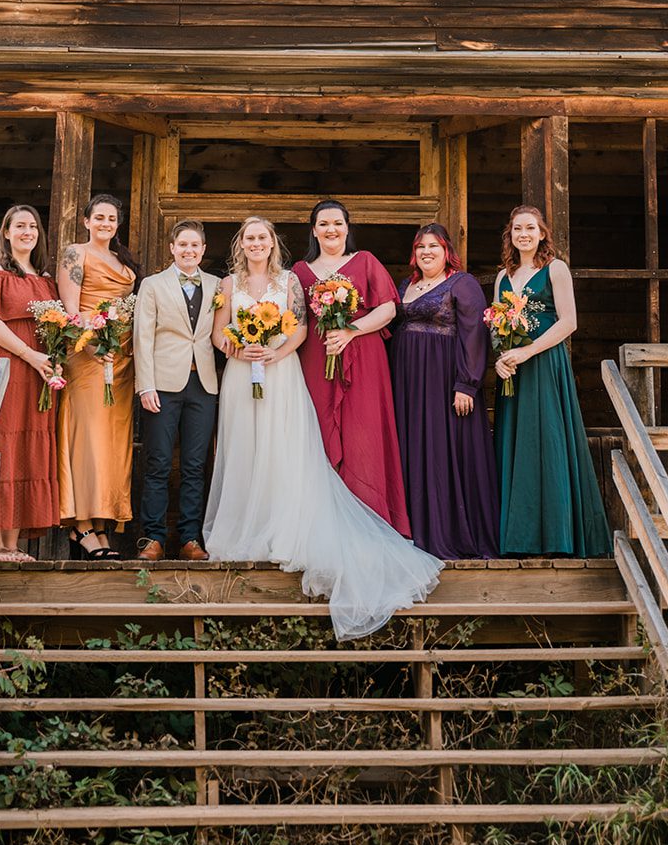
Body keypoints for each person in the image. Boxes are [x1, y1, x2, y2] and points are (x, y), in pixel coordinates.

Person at [206, 216, 442, 639]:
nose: (256, 243)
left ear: (273, 243)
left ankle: (284, 525)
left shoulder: (290, 281)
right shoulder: (227, 285)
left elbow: (299, 327)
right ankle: (246, 525)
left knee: (283, 448)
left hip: (279, 372)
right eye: (249, 238)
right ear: (240, 245)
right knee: (244, 448)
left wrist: (276, 353)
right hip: (242, 373)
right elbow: (219, 332)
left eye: (263, 237)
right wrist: (239, 346)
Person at [492, 205, 611, 558]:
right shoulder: (503, 277)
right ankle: (518, 538)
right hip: (512, 370)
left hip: (544, 363)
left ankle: (557, 536)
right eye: (517, 229)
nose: (523, 234)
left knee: (548, 441)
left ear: (542, 233)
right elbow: (495, 326)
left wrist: (528, 353)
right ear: (510, 235)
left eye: (530, 228)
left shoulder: (555, 269)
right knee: (516, 445)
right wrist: (500, 359)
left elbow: (568, 322)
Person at [292, 199, 410, 535]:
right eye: (324, 224)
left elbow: (388, 309)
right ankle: (321, 523)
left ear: (347, 227)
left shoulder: (366, 262)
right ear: (313, 230)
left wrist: (350, 331)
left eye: (338, 223)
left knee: (363, 432)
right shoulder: (299, 272)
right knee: (318, 430)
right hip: (317, 359)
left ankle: (368, 519)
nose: (331, 230)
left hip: (364, 361)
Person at [390, 223, 500, 560]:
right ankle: (415, 530)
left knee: (443, 448)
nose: (426, 252)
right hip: (408, 380)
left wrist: (467, 383)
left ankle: (450, 531)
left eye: (433, 247)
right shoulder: (407, 284)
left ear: (446, 251)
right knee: (413, 447)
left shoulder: (462, 283)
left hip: (444, 380)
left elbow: (474, 335)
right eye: (421, 247)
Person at [0, 204, 60, 562]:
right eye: (19, 226)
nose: (27, 232)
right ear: (6, 233)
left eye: (33, 226)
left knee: (28, 451)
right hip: (13, 366)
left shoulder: (46, 278)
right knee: (4, 446)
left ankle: (12, 545)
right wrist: (30, 355)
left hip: (41, 372)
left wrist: (50, 357)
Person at [57, 193, 140, 560]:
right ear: (87, 221)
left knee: (112, 441)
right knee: (87, 435)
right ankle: (80, 525)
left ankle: (102, 523)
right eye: (100, 218)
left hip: (121, 360)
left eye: (112, 219)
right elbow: (70, 310)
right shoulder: (75, 253)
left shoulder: (122, 259)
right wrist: (90, 345)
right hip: (88, 355)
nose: (106, 224)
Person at [134, 219, 221, 562]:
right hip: (163, 386)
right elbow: (143, 337)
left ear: (203, 250)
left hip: (204, 386)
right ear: (172, 248)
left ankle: (190, 538)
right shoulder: (153, 285)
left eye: (194, 245)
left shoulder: (217, 285)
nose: (188, 250)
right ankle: (153, 538)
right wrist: (146, 386)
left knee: (195, 465)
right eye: (182, 245)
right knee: (156, 462)